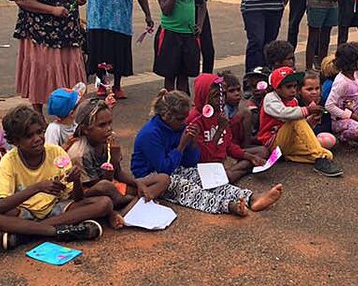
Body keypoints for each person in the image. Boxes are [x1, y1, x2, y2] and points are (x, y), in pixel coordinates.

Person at [0, 106, 112, 250]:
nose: (38, 139)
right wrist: (38, 187)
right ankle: (55, 231)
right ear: (16, 141)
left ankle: (28, 233)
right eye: (29, 136)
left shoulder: (56, 152)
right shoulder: (9, 161)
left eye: (40, 132)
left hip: (56, 208)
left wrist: (76, 180)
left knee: (104, 203)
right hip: (24, 213)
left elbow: (76, 198)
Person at [131, 89, 283, 216]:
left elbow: (190, 162)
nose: (184, 122)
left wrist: (192, 143)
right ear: (165, 116)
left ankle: (251, 198)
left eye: (185, 118)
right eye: (180, 119)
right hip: (151, 177)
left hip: (173, 168)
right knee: (185, 185)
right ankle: (228, 206)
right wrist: (182, 145)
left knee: (204, 178)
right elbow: (164, 168)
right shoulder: (150, 134)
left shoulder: (178, 126)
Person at [8, 0, 86, 115]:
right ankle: (38, 114)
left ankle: (68, 113)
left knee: (69, 73)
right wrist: (52, 10)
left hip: (68, 32)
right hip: (40, 33)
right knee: (43, 71)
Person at [66, 99, 170, 224]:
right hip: (92, 193)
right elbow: (95, 186)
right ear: (85, 129)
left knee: (164, 179)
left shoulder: (106, 140)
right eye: (102, 125)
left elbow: (118, 173)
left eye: (110, 123)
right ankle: (131, 202)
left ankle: (125, 209)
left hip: (113, 186)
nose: (109, 129)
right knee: (105, 186)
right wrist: (113, 177)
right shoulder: (80, 153)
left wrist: (137, 183)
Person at [259, 66, 343, 177]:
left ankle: (289, 157)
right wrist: (307, 110)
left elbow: (298, 127)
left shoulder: (293, 101)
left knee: (328, 155)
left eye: (294, 86)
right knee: (296, 119)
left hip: (287, 145)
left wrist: (311, 121)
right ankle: (319, 157)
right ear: (277, 88)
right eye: (288, 87)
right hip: (273, 143)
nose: (293, 90)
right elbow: (283, 113)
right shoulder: (270, 98)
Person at [187, 73, 268, 182]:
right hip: (202, 167)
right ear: (203, 95)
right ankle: (235, 172)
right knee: (229, 176)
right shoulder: (195, 119)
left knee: (262, 152)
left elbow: (228, 145)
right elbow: (204, 157)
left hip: (219, 162)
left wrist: (250, 157)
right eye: (216, 96)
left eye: (223, 94)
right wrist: (220, 129)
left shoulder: (218, 113)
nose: (221, 100)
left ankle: (234, 172)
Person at [154, 0, 205, 94]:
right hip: (170, 33)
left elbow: (202, 4)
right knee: (170, 76)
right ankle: (169, 107)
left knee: (184, 75)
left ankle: (182, 109)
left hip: (188, 34)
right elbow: (166, 9)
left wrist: (200, 25)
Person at [297, 70, 331, 135]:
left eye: (317, 88)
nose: (314, 92)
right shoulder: (297, 104)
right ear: (299, 90)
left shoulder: (324, 103)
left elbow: (327, 126)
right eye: (309, 89)